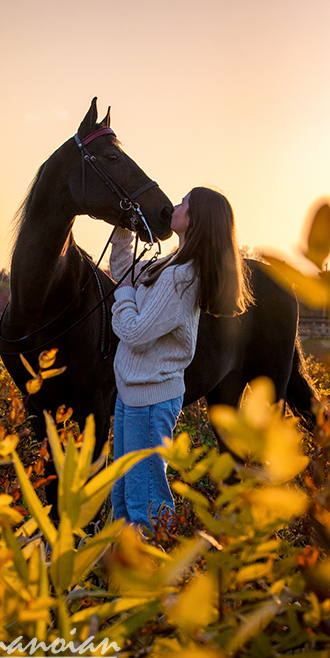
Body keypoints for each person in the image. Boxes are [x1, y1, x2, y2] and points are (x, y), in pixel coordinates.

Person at [109, 186, 253, 533]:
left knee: (145, 497)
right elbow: (123, 268)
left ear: (196, 218)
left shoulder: (181, 277)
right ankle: (124, 569)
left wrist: (124, 298)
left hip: (151, 398)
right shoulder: (169, 263)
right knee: (124, 491)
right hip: (132, 392)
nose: (176, 204)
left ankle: (154, 569)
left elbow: (136, 334)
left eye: (184, 202)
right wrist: (125, 227)